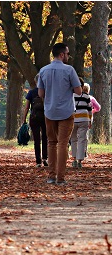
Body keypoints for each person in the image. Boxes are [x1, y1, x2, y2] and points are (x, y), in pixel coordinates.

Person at [38, 42, 82, 185]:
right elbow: (79, 91)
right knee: (63, 143)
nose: (68, 56)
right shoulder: (69, 70)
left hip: (49, 111)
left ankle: (51, 176)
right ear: (62, 54)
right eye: (67, 53)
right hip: (66, 111)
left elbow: (40, 93)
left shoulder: (43, 71)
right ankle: (61, 178)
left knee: (51, 143)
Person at [22, 73, 48, 167]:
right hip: (45, 117)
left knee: (37, 139)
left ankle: (38, 161)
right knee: (45, 138)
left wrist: (24, 119)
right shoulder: (46, 92)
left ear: (36, 81)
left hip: (34, 117)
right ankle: (45, 158)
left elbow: (27, 107)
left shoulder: (31, 93)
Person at [70, 82, 92, 168]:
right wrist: (90, 120)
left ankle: (74, 159)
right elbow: (89, 109)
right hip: (84, 119)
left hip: (73, 119)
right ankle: (80, 161)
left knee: (73, 139)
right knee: (82, 139)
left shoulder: (71, 95)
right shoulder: (86, 96)